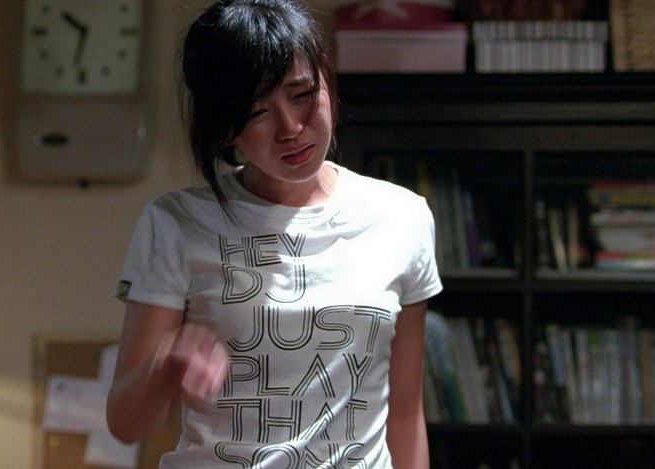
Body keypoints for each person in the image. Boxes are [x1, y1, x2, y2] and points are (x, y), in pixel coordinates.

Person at [106, 1, 442, 467]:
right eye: (256, 112)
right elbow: (125, 424)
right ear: (225, 128)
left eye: (302, 94)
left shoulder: (401, 216)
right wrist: (168, 361)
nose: (291, 128)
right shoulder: (175, 223)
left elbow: (404, 412)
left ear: (327, 78)